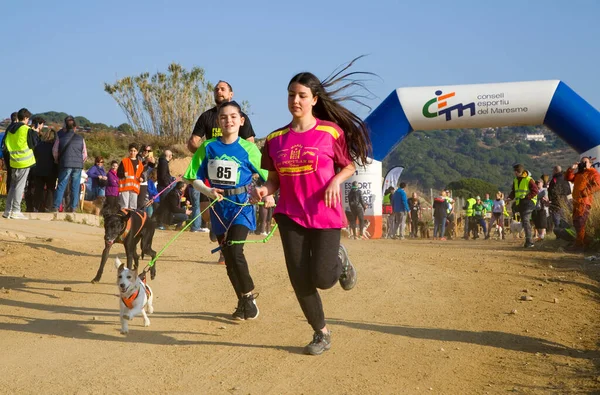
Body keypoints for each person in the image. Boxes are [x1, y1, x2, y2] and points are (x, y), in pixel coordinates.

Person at [254, 65, 369, 355]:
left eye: (302, 95)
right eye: (291, 95)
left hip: (325, 214)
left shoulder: (331, 132)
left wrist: (335, 181)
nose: (295, 100)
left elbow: (349, 165)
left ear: (314, 99)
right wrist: (265, 191)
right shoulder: (275, 139)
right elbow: (273, 180)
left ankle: (339, 261)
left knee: (322, 278)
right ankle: (321, 333)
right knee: (299, 276)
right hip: (290, 214)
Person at [185, 100, 269, 321]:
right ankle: (243, 300)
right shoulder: (208, 147)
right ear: (218, 122)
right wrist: (208, 190)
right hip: (218, 209)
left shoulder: (249, 148)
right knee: (228, 258)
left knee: (234, 250)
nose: (228, 120)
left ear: (241, 121)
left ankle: (249, 296)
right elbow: (192, 177)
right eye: (223, 117)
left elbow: (268, 175)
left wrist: (266, 193)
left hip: (241, 206)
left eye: (233, 117)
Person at [188, 81, 257, 239]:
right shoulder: (206, 116)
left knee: (233, 235)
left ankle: (226, 245)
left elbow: (250, 142)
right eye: (216, 89)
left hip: (237, 170)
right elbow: (193, 141)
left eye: (223, 89)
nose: (219, 91)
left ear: (231, 94)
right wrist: (202, 156)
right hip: (212, 170)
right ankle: (217, 226)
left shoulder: (240, 116)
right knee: (206, 212)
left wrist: (247, 164)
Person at [2, 108, 40, 219]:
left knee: (13, 186)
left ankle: (7, 210)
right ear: (26, 118)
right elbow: (33, 144)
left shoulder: (10, 129)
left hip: (13, 160)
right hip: (24, 161)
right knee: (20, 186)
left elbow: (6, 144)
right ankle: (16, 210)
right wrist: (35, 132)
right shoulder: (25, 129)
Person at [52, 116, 87, 213]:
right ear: (75, 127)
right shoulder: (81, 139)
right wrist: (80, 162)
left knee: (62, 184)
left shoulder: (60, 138)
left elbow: (54, 151)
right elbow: (84, 154)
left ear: (65, 128)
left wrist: (57, 160)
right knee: (75, 186)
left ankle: (55, 206)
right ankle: (73, 208)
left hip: (65, 163)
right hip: (78, 166)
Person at [564, 157, 600, 250]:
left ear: (590, 164)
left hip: (585, 201)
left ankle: (579, 244)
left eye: (585, 162)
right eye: (581, 162)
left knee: (580, 222)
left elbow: (597, 185)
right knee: (576, 222)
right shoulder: (579, 173)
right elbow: (568, 178)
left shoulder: (593, 173)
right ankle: (584, 242)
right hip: (576, 202)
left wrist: (585, 193)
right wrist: (572, 168)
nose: (583, 163)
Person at [508, 164, 539, 248]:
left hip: (529, 203)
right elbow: (514, 191)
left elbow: (535, 190)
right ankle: (528, 241)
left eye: (515, 171)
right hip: (521, 203)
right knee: (525, 222)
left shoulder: (529, 179)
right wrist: (509, 198)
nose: (514, 173)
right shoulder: (515, 180)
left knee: (525, 221)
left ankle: (529, 241)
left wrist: (527, 197)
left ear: (518, 172)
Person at [32, 128, 58, 212]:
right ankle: (48, 207)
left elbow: (35, 155)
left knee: (38, 189)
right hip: (51, 171)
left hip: (39, 170)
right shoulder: (55, 146)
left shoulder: (39, 145)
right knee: (50, 189)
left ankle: (36, 207)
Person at [117, 144, 144, 209]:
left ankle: (131, 218)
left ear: (137, 152)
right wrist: (123, 174)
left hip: (135, 188)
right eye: (131, 151)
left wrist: (142, 178)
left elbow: (141, 174)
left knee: (133, 207)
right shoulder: (124, 161)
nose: (133, 152)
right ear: (129, 151)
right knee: (124, 206)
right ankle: (123, 218)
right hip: (125, 187)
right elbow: (118, 173)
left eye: (134, 151)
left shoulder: (140, 163)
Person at [547, 165, 571, 230]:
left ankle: (558, 233)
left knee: (556, 218)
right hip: (565, 201)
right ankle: (565, 232)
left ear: (555, 171)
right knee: (564, 218)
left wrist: (550, 200)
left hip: (556, 202)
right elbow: (569, 190)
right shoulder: (565, 179)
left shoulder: (554, 180)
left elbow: (551, 191)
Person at [1, 112, 18, 192]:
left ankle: (8, 193)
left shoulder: (9, 127)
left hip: (6, 153)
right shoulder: (15, 127)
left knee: (9, 174)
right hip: (12, 154)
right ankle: (11, 193)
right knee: (13, 175)